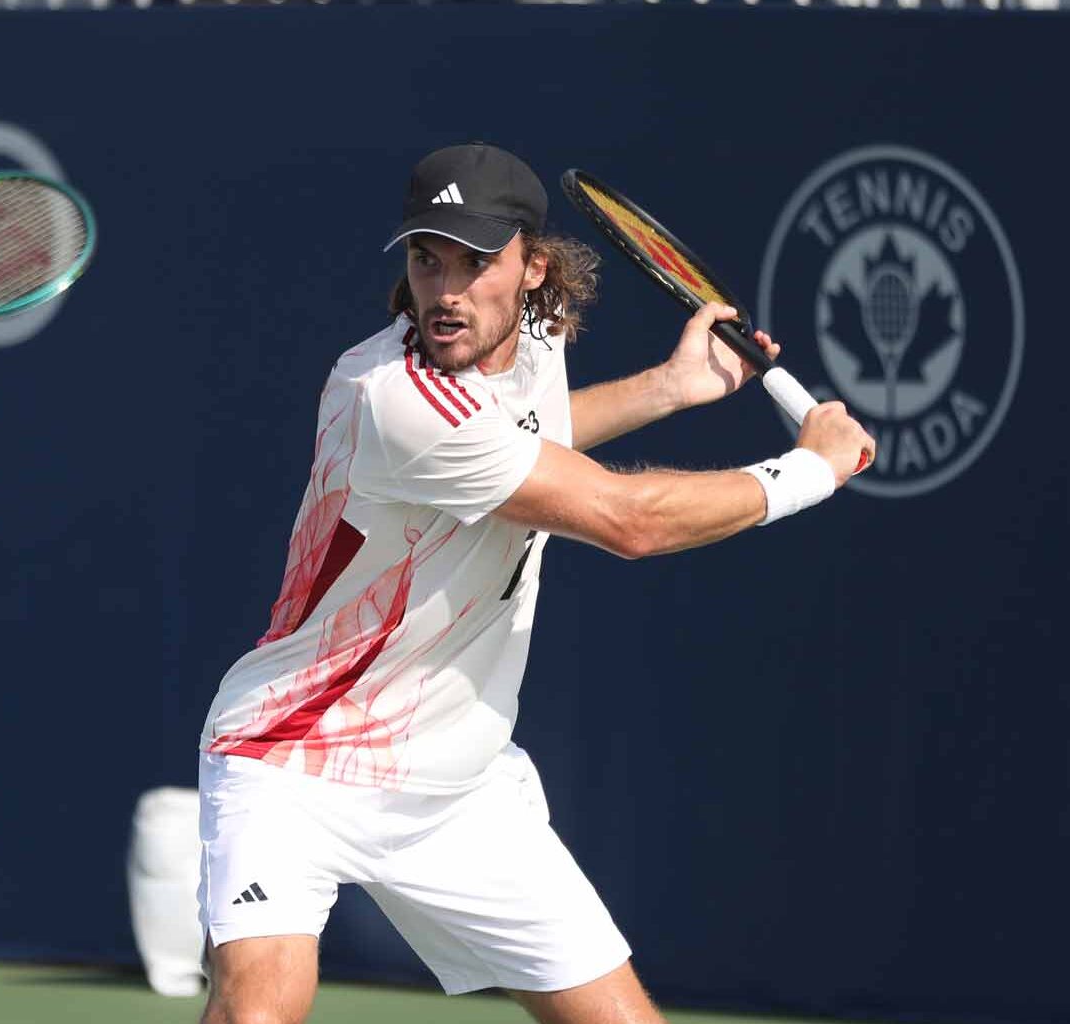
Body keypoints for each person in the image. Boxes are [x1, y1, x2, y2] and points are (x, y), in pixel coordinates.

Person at [195, 143, 875, 1024]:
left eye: (477, 262)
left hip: (459, 784)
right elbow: (630, 522)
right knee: (258, 1014)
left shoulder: (538, 342)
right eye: (426, 258)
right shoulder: (392, 397)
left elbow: (529, 436)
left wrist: (668, 388)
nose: (447, 290)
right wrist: (808, 472)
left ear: (532, 270)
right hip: (294, 755)